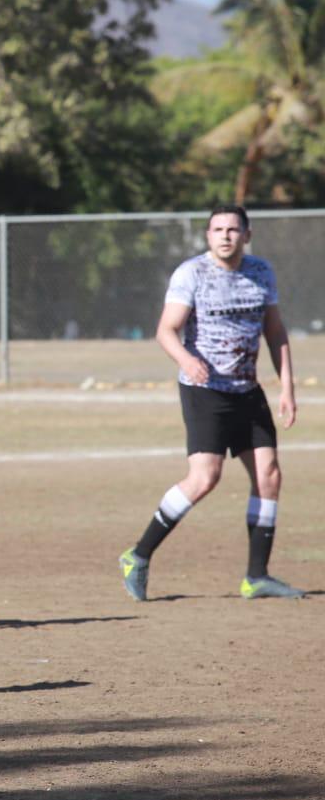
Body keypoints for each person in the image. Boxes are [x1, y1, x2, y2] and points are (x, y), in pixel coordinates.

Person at [119, 206, 304, 601]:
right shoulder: (192, 273)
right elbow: (166, 330)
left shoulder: (261, 273)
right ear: (207, 236)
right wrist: (187, 359)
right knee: (205, 477)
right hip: (205, 391)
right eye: (217, 229)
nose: (225, 236)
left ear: (247, 236)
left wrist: (287, 386)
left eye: (233, 230)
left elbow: (275, 332)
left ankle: (256, 577)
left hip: (247, 390)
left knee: (269, 475)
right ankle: (138, 554)